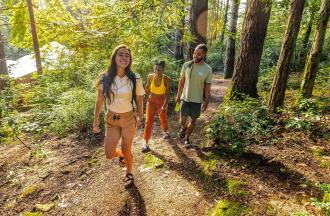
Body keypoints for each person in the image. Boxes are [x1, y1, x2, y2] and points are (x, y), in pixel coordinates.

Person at [93, 44, 145, 188]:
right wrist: (95, 121)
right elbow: (99, 100)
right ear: (114, 57)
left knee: (127, 148)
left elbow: (139, 98)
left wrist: (141, 116)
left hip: (129, 119)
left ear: (130, 59)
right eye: (120, 54)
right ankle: (122, 155)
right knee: (109, 153)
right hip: (111, 120)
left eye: (127, 55)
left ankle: (129, 172)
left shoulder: (135, 77)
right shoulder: (105, 77)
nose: (124, 57)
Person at [175, 44, 212, 148]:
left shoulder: (207, 69)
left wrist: (206, 101)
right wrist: (178, 94)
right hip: (185, 98)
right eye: (195, 53)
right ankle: (183, 127)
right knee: (182, 120)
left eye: (199, 54)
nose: (195, 55)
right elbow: (181, 81)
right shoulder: (187, 65)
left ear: (204, 55)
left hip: (197, 100)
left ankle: (187, 138)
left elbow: (207, 86)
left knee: (193, 121)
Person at [142, 60, 171, 153]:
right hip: (151, 101)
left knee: (162, 117)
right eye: (156, 69)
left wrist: (165, 105)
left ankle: (165, 131)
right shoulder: (150, 77)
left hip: (161, 101)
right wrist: (142, 97)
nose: (157, 71)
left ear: (163, 70)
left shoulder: (167, 79)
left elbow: (167, 94)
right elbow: (146, 88)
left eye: (159, 69)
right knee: (148, 121)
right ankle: (145, 142)